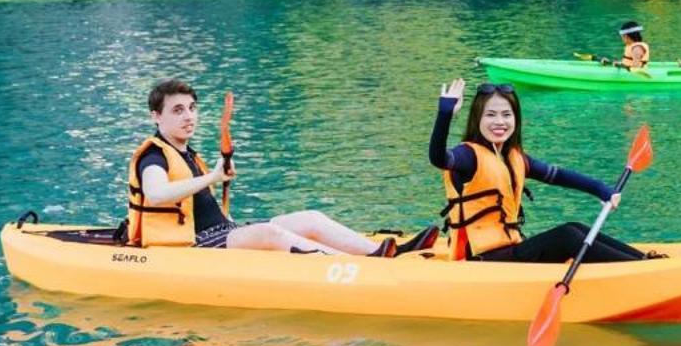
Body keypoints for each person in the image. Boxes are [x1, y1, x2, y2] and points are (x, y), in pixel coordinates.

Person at [128, 79, 392, 255]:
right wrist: (213, 177)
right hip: (195, 243)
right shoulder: (154, 156)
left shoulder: (187, 154)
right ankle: (353, 266)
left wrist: (216, 181)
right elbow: (156, 194)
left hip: (223, 232)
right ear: (156, 116)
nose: (188, 116)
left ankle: (377, 251)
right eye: (177, 110)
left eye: (192, 108)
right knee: (268, 232)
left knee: (309, 218)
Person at [431, 78, 653, 263]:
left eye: (506, 115)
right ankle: (643, 270)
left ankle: (644, 261)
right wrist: (445, 114)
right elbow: (438, 157)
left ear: (516, 119)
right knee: (566, 236)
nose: (500, 122)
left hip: (509, 250)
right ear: (477, 119)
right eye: (490, 115)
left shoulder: (513, 157)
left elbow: (558, 175)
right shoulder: (467, 155)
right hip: (481, 259)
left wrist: (602, 190)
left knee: (575, 228)